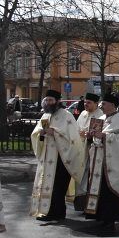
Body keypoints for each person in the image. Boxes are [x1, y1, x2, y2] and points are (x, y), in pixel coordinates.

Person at [30, 89, 83, 222]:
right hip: (47, 158)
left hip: (62, 158)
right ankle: (47, 212)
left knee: (58, 188)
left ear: (58, 101)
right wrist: (40, 134)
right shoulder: (45, 116)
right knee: (47, 186)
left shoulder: (67, 116)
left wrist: (55, 133)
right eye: (46, 100)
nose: (48, 103)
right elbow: (35, 134)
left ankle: (58, 213)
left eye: (51, 100)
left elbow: (73, 137)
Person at [83, 94, 119, 234]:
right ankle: (100, 217)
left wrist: (105, 136)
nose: (101, 106)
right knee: (100, 189)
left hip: (112, 161)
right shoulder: (102, 118)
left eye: (103, 104)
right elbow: (96, 137)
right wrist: (90, 136)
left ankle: (110, 219)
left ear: (112, 105)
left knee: (109, 191)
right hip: (99, 159)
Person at [74, 92, 102, 211]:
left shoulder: (100, 115)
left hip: (93, 150)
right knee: (81, 176)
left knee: (91, 176)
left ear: (96, 104)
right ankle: (81, 204)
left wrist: (89, 136)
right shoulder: (83, 114)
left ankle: (91, 205)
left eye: (89, 103)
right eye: (85, 102)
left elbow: (99, 134)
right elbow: (76, 128)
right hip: (81, 149)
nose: (86, 104)